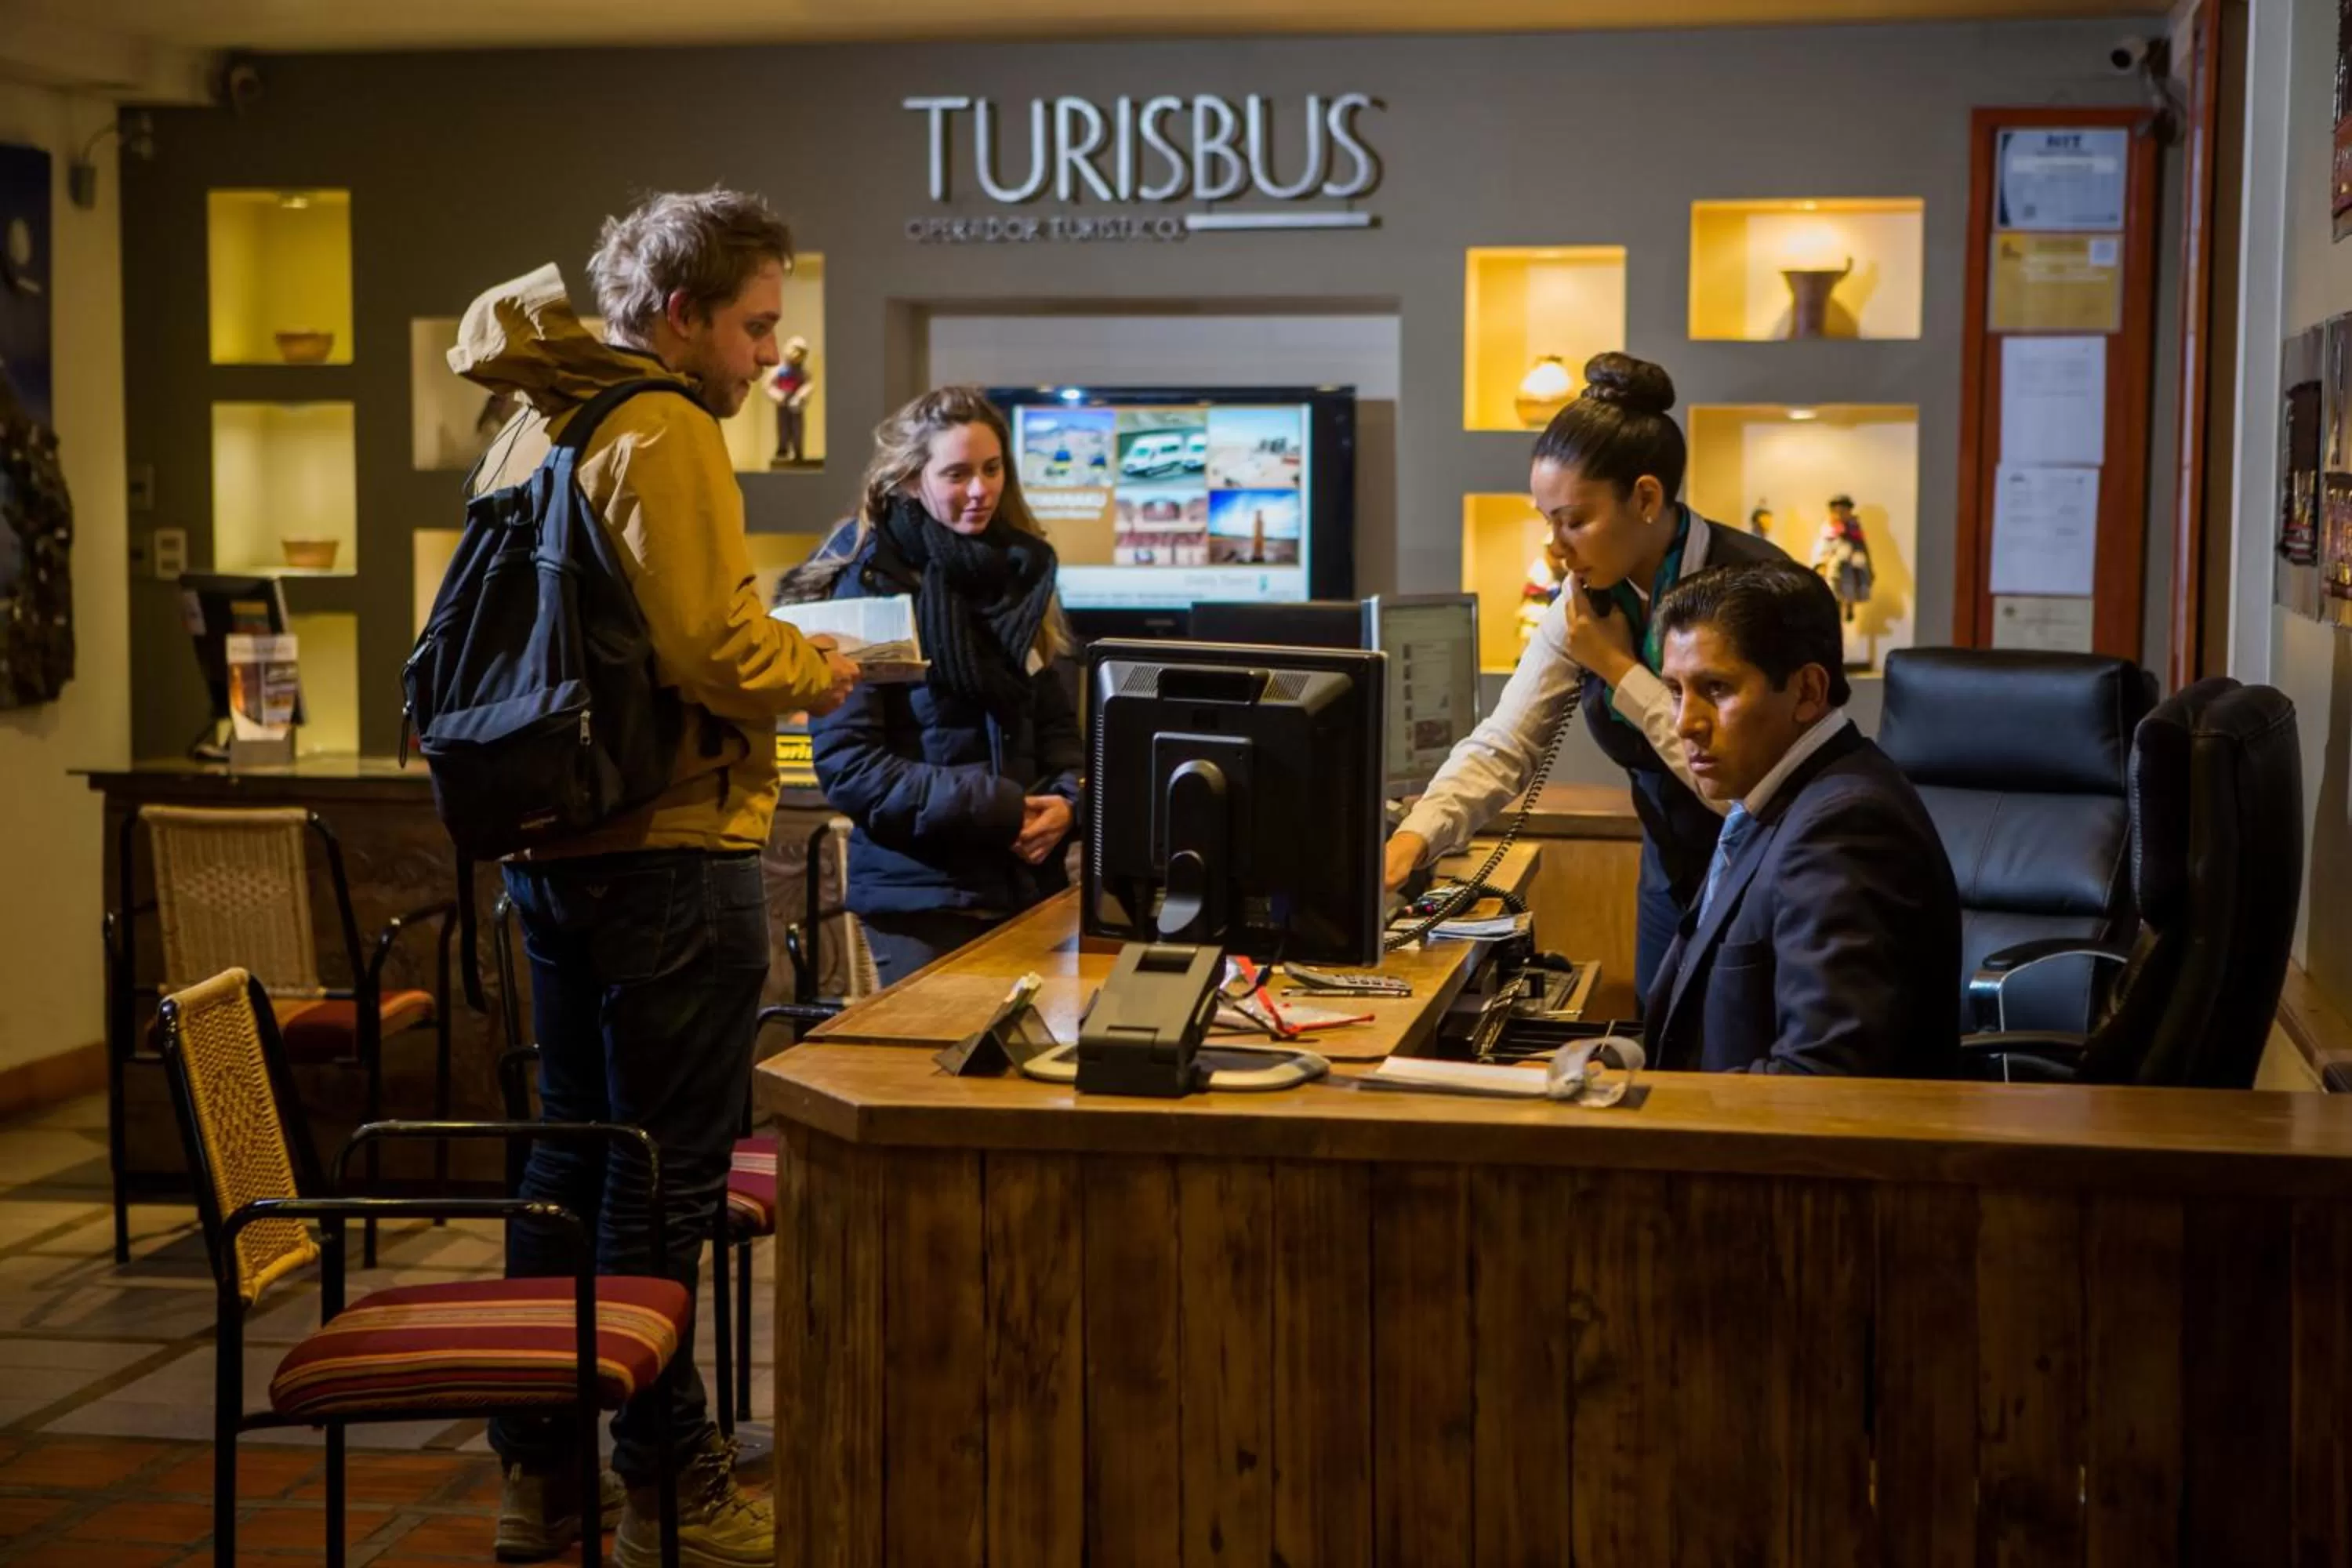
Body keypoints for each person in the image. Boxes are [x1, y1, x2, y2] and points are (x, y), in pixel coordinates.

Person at [450, 188, 859, 1568]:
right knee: (664, 1186)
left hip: (549, 846)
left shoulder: (535, 414)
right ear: (680, 315)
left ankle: (537, 1474)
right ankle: (669, 1481)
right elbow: (716, 655)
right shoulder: (664, 426)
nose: (766, 361)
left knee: (566, 1162)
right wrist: (823, 664)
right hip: (676, 851)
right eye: (754, 330)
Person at [1384, 352, 1790, 1000]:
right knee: (1663, 1049)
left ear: (1647, 498)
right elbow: (1506, 744)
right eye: (1547, 521)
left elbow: (1740, 788)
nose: (1556, 547)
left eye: (1574, 520)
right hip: (1670, 870)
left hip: (1768, 871)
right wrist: (1411, 840)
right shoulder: (1586, 601)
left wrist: (1617, 668)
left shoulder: (1751, 593)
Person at [798, 386, 1083, 985]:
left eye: (991, 468)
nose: (980, 490)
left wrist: (1068, 805)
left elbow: (1061, 734)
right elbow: (850, 766)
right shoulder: (864, 584)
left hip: (1029, 890)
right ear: (908, 480)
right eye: (956, 473)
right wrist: (1001, 809)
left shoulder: (1023, 578)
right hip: (921, 903)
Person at [1642, 561, 1958, 1076]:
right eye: (1676, 691)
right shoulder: (1779, 800)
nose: (1685, 723)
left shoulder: (1844, 827)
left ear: (1808, 692)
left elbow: (1823, 1081)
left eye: (1716, 689)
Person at [764, 333, 814, 466]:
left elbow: (808, 385)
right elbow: (769, 386)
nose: (796, 355)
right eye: (794, 350)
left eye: (800, 352)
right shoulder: (779, 370)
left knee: (797, 429)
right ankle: (782, 450)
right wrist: (777, 395)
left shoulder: (803, 372)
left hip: (796, 404)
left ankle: (798, 452)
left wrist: (800, 396)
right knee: (783, 428)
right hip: (782, 403)